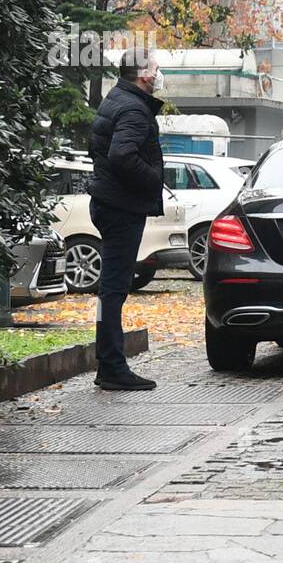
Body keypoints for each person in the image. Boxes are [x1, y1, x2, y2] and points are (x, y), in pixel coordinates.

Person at [86, 48, 166, 389]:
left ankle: (108, 363)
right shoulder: (133, 108)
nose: (161, 74)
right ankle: (111, 367)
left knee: (110, 290)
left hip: (109, 202)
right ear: (144, 75)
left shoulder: (116, 99)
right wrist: (154, 179)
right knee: (113, 290)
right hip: (120, 207)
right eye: (157, 68)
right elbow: (122, 155)